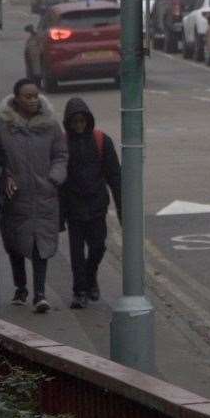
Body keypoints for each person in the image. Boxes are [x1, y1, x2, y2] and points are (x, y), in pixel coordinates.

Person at [0, 77, 67, 312]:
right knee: (15, 244)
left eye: (36, 95)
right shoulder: (3, 126)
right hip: (15, 197)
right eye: (28, 96)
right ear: (16, 98)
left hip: (44, 195)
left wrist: (54, 178)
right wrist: (5, 177)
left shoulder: (50, 124)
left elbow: (60, 154)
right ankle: (21, 288)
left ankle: (40, 295)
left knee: (41, 246)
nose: (33, 99)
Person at [59, 97, 122, 309]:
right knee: (76, 253)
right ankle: (79, 291)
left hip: (96, 205)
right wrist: (58, 217)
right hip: (73, 206)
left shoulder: (102, 140)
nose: (79, 126)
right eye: (74, 122)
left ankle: (90, 274)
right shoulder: (61, 144)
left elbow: (115, 177)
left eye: (82, 121)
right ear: (68, 122)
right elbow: (56, 182)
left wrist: (123, 210)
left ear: (88, 120)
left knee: (98, 247)